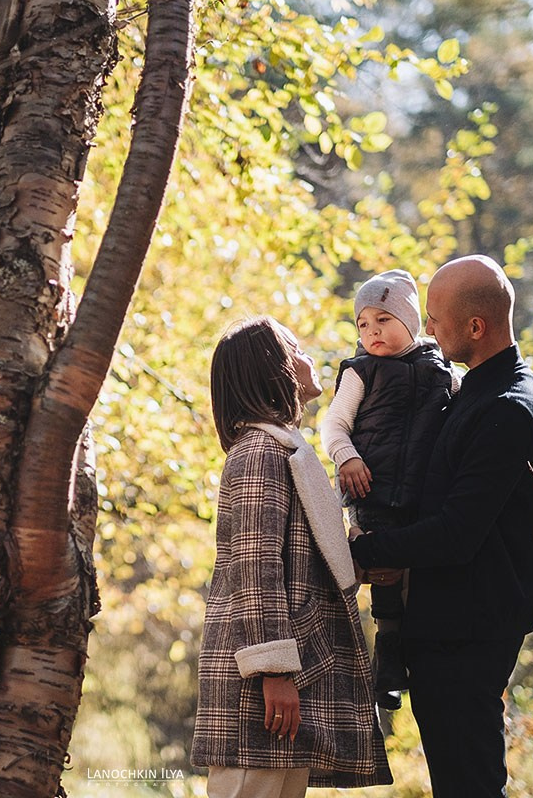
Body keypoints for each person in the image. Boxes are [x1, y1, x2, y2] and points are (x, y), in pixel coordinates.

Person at [347, 255, 533, 798]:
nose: (428, 329)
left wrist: (361, 552)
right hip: (445, 627)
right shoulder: (471, 391)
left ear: (475, 327)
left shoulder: (508, 408)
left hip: (470, 632)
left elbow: (457, 531)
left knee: (471, 783)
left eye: (434, 318)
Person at [191, 317, 392, 798]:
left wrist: (361, 563)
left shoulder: (283, 450)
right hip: (262, 688)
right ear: (274, 367)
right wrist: (272, 671)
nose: (308, 358)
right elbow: (255, 567)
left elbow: (302, 556)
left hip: (290, 682)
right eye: (295, 348)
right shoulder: (261, 450)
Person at [319, 269, 458, 710]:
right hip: (372, 491)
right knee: (384, 574)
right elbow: (334, 425)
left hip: (422, 496)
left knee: (415, 579)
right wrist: (347, 458)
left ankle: (410, 655)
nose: (371, 332)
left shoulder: (441, 371)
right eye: (363, 324)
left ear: (411, 321)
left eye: (383, 320)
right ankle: (387, 661)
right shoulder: (360, 372)